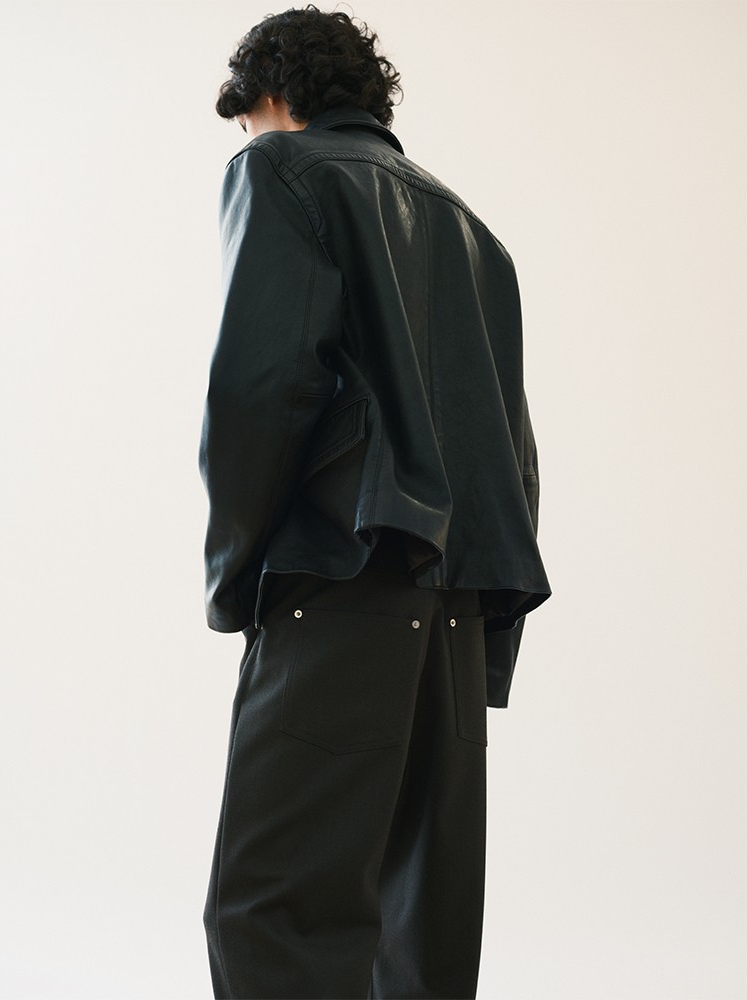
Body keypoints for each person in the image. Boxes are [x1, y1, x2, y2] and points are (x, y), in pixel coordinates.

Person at [198, 5, 552, 998]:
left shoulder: (282, 169)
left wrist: (237, 577)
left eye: (249, 120)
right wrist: (487, 647)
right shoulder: (475, 233)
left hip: (342, 584)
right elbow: (513, 456)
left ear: (273, 96)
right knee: (419, 941)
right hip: (454, 613)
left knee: (273, 914)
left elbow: (261, 388)